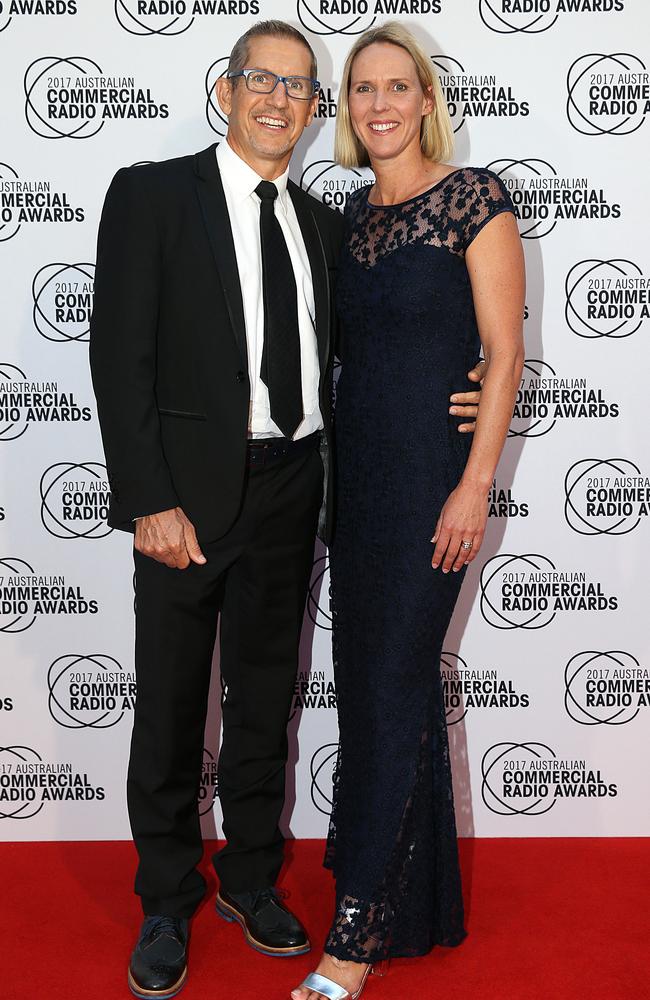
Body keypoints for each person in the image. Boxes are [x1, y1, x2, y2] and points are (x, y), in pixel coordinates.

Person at [90, 19, 485, 1000]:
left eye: (300, 86)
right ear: (226, 89)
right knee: (173, 708)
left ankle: (254, 882)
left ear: (316, 110)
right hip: (184, 499)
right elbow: (116, 354)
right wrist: (148, 498)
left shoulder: (323, 223)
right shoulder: (150, 195)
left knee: (263, 703)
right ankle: (166, 899)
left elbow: (401, 325)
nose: (279, 99)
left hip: (297, 489)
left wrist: (469, 375)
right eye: (261, 80)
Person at [293, 22, 525, 1000]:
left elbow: (503, 353)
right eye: (361, 90)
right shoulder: (346, 216)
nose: (379, 104)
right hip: (357, 484)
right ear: (346, 109)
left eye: (396, 87)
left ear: (426, 99)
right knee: (375, 686)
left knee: (389, 686)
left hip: (434, 478)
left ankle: (354, 934)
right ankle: (413, 898)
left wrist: (473, 482)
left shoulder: (474, 200)